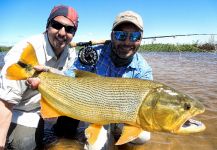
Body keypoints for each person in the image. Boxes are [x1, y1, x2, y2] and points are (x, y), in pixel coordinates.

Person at [68, 10, 153, 149]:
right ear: (112, 36)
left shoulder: (144, 70)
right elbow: (70, 76)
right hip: (94, 112)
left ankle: (119, 137)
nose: (127, 42)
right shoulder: (93, 53)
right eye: (121, 35)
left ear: (140, 39)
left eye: (134, 36)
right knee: (95, 147)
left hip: (125, 116)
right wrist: (50, 74)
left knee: (143, 135)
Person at [0, 5, 79, 150]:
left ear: (74, 33)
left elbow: (70, 82)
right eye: (57, 25)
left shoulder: (70, 53)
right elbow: (4, 103)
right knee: (25, 145)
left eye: (69, 29)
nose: (62, 33)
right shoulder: (26, 52)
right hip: (18, 109)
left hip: (42, 107)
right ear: (48, 26)